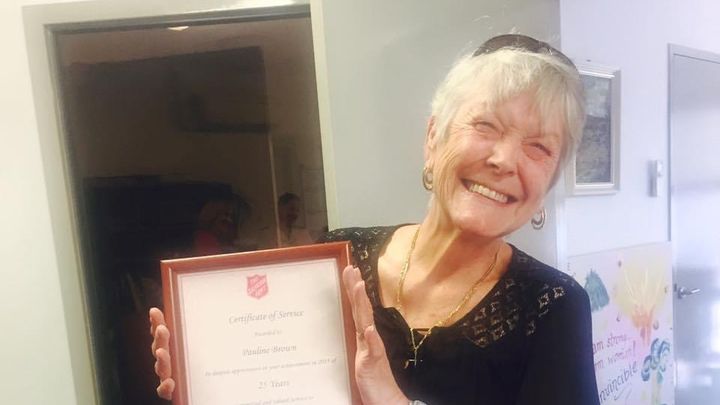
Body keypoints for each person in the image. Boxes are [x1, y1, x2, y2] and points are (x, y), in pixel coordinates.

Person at [149, 34, 600, 404]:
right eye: (486, 126)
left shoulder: (552, 306)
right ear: (433, 138)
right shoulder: (339, 258)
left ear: (549, 183)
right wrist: (208, 377)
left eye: (539, 147)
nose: (504, 159)